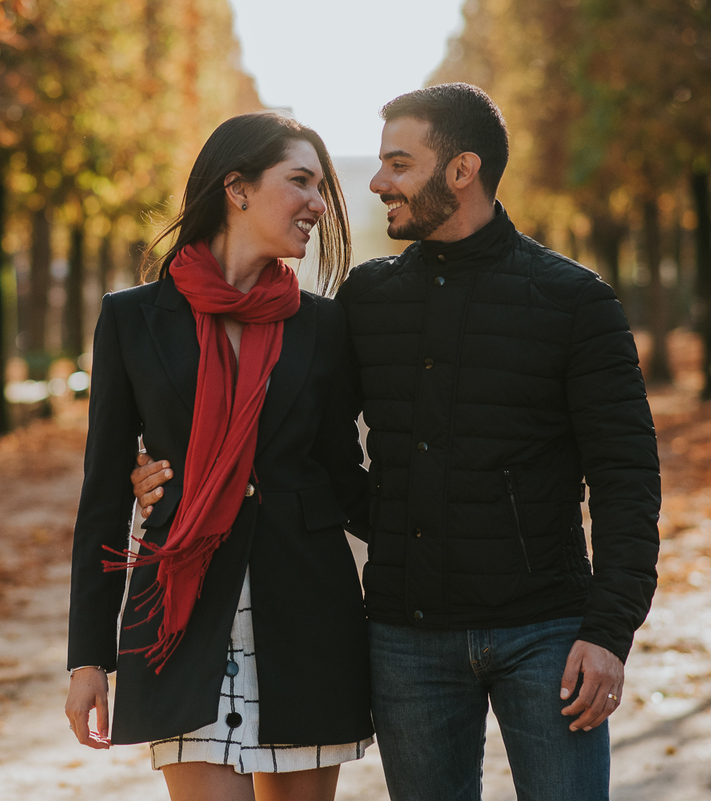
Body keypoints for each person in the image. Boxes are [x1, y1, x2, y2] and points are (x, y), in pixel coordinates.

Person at [134, 84, 661, 801]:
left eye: (399, 164)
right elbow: (302, 439)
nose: (378, 182)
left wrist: (608, 631)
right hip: (409, 642)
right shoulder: (367, 300)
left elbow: (628, 478)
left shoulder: (574, 301)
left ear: (462, 170)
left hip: (547, 633)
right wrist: (164, 464)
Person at [65, 111, 374, 801]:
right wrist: (88, 658)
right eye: (301, 182)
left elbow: (342, 474)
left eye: (322, 187)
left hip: (307, 619)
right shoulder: (132, 318)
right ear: (237, 189)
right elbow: (104, 497)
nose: (319, 204)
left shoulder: (323, 325)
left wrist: (445, 536)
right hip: (181, 624)